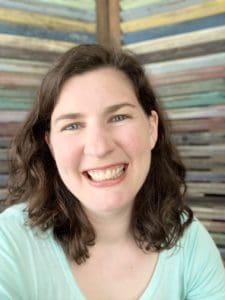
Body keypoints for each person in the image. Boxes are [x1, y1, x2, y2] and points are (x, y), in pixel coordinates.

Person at [0, 44, 224, 300]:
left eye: (118, 117)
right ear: (50, 145)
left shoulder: (190, 243)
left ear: (151, 128)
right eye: (72, 125)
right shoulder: (9, 243)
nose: (99, 147)